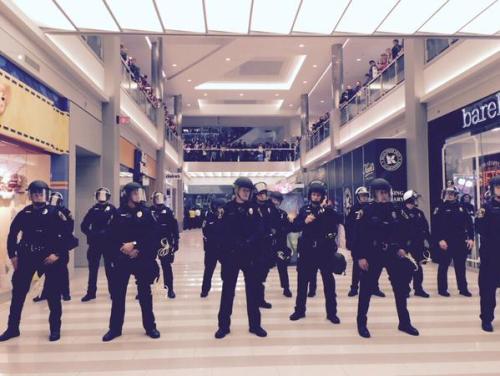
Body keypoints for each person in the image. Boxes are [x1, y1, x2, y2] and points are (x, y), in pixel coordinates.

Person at [0, 180, 68, 342]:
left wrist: (57, 254)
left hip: (49, 258)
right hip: (27, 257)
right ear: (30, 195)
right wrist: (13, 256)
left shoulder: (55, 213)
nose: (37, 196)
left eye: (41, 193)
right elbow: (12, 235)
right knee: (18, 295)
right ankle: (12, 328)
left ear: (46, 194)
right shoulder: (24, 213)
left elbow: (69, 238)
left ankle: (55, 329)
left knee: (53, 295)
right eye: (35, 193)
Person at [356, 178, 419, 338]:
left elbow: (405, 232)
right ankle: (361, 323)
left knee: (400, 289)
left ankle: (404, 322)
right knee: (366, 289)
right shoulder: (366, 211)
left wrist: (403, 248)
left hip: (392, 253)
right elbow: (358, 236)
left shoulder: (396, 210)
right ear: (374, 194)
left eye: (386, 192)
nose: (384, 196)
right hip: (372, 254)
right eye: (381, 193)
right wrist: (360, 257)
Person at [102, 182, 160, 342]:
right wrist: (122, 249)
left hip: (141, 258)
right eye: (134, 193)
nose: (138, 195)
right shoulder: (117, 214)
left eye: (139, 192)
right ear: (126, 195)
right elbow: (109, 237)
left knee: (145, 295)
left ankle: (150, 327)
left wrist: (136, 246)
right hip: (122, 259)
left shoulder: (147, 213)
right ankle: (114, 329)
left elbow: (153, 236)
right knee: (118, 295)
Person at [215, 177, 267, 339]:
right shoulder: (226, 209)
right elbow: (220, 233)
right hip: (231, 256)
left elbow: (260, 230)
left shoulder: (254, 209)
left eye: (249, 191)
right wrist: (229, 249)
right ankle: (223, 326)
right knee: (228, 292)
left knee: (253, 291)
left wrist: (249, 242)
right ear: (236, 190)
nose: (247, 193)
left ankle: (255, 325)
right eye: (244, 190)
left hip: (250, 255)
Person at [289, 180, 342, 325]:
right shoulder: (304, 210)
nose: (316, 197)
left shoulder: (328, 211)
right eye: (314, 194)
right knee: (302, 283)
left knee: (329, 284)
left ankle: (332, 313)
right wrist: (305, 221)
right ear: (310, 196)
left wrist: (329, 210)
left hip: (324, 252)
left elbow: (340, 220)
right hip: (307, 252)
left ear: (322, 196)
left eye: (319, 195)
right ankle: (299, 310)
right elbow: (293, 227)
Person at [33, 191, 76, 302]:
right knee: (46, 271)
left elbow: (69, 229)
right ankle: (45, 293)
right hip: (47, 245)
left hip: (61, 245)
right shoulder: (44, 211)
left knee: (62, 270)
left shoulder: (65, 212)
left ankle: (65, 293)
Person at [433, 186, 474, 297]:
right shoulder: (440, 208)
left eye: (452, 193)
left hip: (460, 241)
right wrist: (439, 240)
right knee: (443, 266)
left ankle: (463, 289)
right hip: (445, 242)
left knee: (460, 266)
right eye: (448, 193)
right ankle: (442, 289)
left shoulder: (462, 207)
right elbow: (435, 227)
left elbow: (469, 224)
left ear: (456, 195)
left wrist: (471, 238)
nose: (450, 195)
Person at [345, 186, 385, 298]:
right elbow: (348, 227)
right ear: (358, 197)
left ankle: (374, 287)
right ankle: (354, 288)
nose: (364, 197)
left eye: (366, 195)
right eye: (362, 195)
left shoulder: (373, 208)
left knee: (375, 265)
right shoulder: (353, 210)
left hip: (371, 243)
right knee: (357, 266)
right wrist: (349, 242)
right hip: (357, 243)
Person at [80, 187, 116, 302]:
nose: (101, 197)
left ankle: (113, 292)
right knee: (93, 269)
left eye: (104, 195)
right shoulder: (93, 210)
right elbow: (84, 226)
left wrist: (109, 234)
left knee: (110, 269)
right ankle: (91, 293)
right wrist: (91, 234)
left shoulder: (112, 209)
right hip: (95, 244)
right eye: (99, 195)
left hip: (108, 244)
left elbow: (118, 226)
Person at [476, 176, 500, 332]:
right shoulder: (486, 208)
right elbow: (478, 227)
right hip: (491, 254)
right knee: (488, 290)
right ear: (492, 189)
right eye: (497, 186)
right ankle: (486, 318)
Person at [400, 190, 431, 298]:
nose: (415, 201)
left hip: (418, 245)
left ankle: (418, 288)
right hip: (405, 246)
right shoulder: (400, 213)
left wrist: (430, 242)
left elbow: (425, 229)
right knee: (406, 268)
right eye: (414, 199)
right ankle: (405, 289)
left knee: (418, 267)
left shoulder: (419, 213)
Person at [150, 191, 179, 299]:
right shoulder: (149, 211)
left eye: (160, 198)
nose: (158, 200)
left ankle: (170, 289)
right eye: (156, 198)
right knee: (147, 265)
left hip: (164, 242)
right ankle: (144, 288)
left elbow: (174, 227)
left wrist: (176, 241)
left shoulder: (168, 211)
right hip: (151, 242)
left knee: (166, 266)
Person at [253, 182, 278, 309]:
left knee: (263, 273)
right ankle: (256, 299)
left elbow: (276, 221)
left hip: (268, 246)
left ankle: (260, 299)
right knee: (256, 275)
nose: (263, 196)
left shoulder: (270, 206)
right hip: (255, 247)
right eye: (260, 194)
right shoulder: (250, 207)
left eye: (264, 194)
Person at [200, 197, 226, 298]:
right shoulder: (208, 216)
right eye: (218, 207)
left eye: (221, 207)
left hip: (224, 249)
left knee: (226, 270)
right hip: (211, 249)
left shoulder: (227, 216)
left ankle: (226, 288)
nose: (220, 209)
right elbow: (205, 231)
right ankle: (205, 290)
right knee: (208, 270)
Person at [269, 191, 293, 298]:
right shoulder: (264, 212)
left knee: (282, 267)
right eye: (274, 199)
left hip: (280, 245)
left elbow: (288, 228)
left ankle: (286, 288)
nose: (275, 202)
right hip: (267, 245)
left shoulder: (283, 214)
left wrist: (280, 230)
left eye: (278, 200)